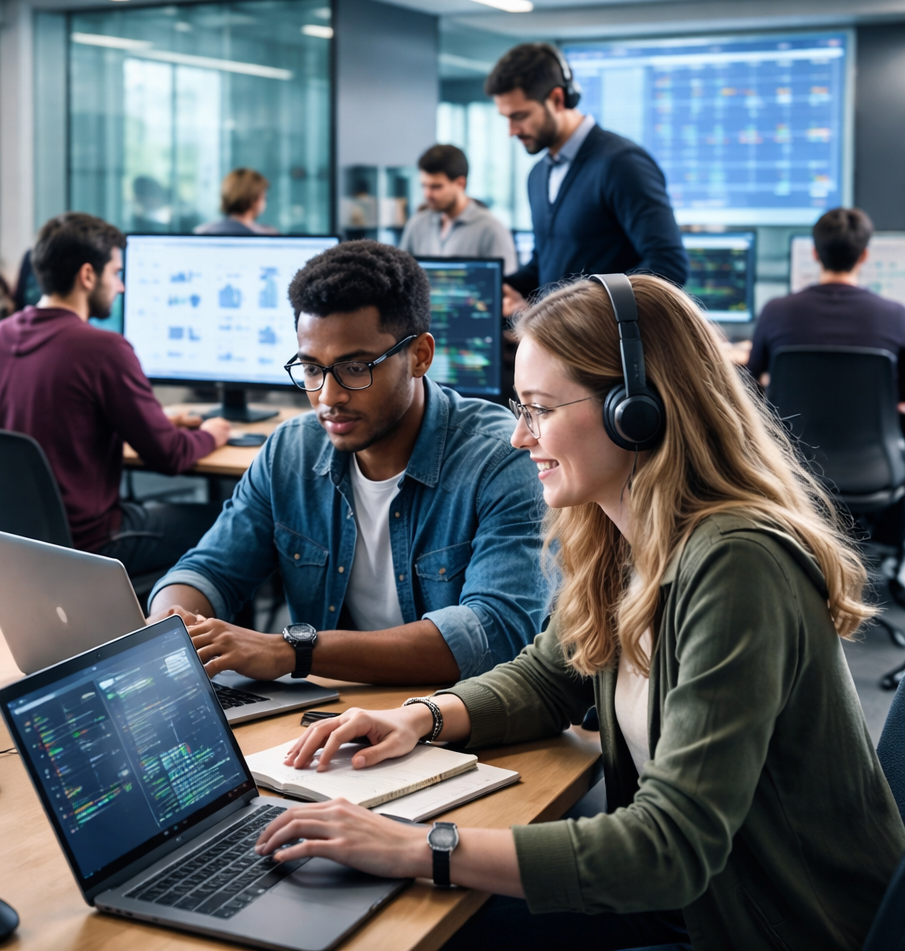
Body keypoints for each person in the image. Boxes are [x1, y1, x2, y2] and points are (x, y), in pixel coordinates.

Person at [255, 274, 905, 951]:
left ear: (637, 411)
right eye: (519, 408)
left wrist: (414, 845)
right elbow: (548, 676)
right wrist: (419, 718)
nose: (518, 437)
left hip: (770, 927)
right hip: (698, 900)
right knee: (402, 918)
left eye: (539, 409)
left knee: (425, 921)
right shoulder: (622, 537)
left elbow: (669, 847)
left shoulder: (736, 565)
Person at [149, 241, 549, 686]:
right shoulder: (291, 451)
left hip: (458, 713)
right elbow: (210, 570)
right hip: (334, 712)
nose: (328, 396)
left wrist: (290, 652)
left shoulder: (500, 459)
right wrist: (172, 622)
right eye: (311, 369)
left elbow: (494, 632)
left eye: (355, 368)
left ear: (420, 356)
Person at [0, 212, 231, 576]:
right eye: (116, 273)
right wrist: (212, 433)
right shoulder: (103, 349)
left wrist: (154, 420)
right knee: (236, 520)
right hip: (86, 548)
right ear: (88, 275)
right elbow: (170, 455)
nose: (121, 287)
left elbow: (52, 414)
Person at [486, 44, 688, 318]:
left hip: (604, 342)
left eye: (519, 116)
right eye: (506, 118)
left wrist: (587, 317)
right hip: (558, 338)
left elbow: (668, 265)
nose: (511, 131)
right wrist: (498, 287)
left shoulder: (621, 163)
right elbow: (545, 265)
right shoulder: (539, 174)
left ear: (557, 99)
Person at [748, 206, 905, 402]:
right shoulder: (896, 315)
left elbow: (750, 380)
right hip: (875, 423)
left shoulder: (775, 311)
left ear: (814, 253)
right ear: (864, 256)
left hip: (789, 423)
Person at [400, 144, 518, 276]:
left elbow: (505, 283)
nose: (427, 194)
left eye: (436, 187)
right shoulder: (416, 224)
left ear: (461, 184)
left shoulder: (492, 229)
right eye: (423, 186)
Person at [196, 168, 279, 236]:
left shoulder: (202, 231)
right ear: (255, 199)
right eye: (264, 197)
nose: (264, 201)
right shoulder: (269, 235)